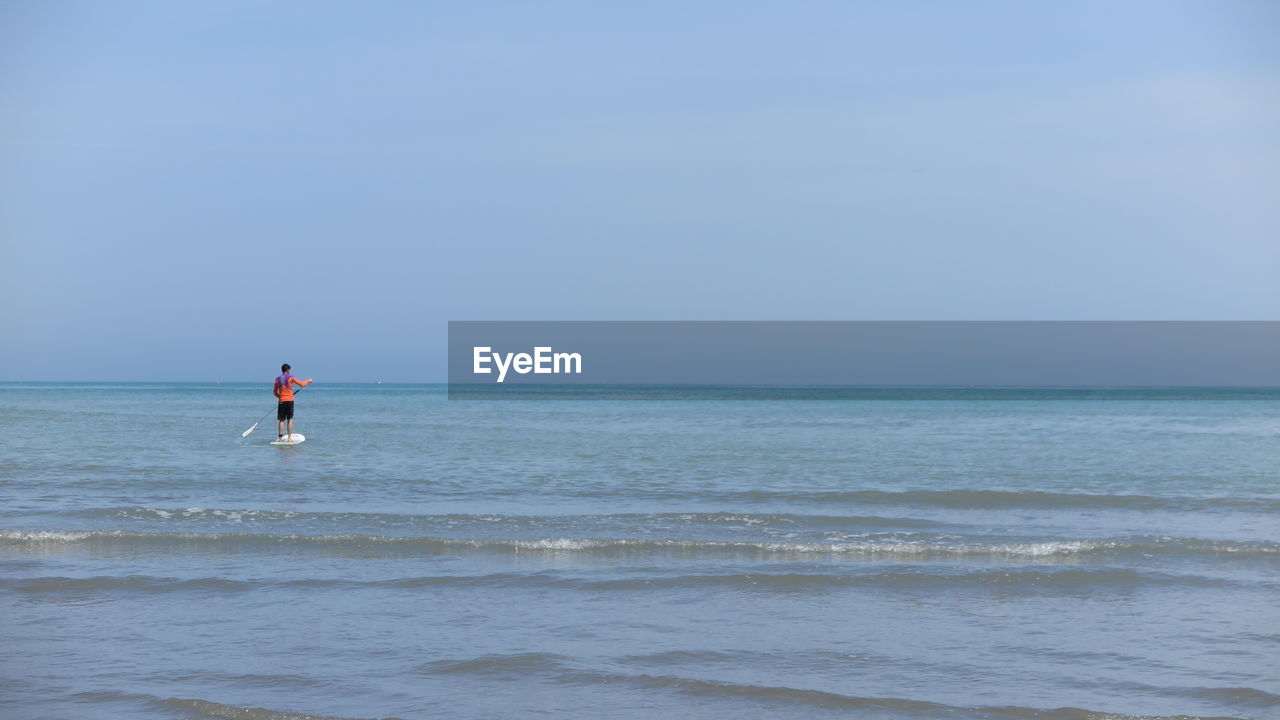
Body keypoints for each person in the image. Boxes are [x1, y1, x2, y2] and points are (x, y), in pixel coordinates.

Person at [273, 364, 313, 441]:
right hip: (290, 401)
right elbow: (302, 384)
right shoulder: (291, 377)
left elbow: (274, 392)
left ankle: (280, 438)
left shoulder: (277, 379)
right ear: (288, 370)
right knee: (290, 419)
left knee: (281, 420)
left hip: (281, 401)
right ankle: (289, 438)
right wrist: (308, 381)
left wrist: (281, 397)